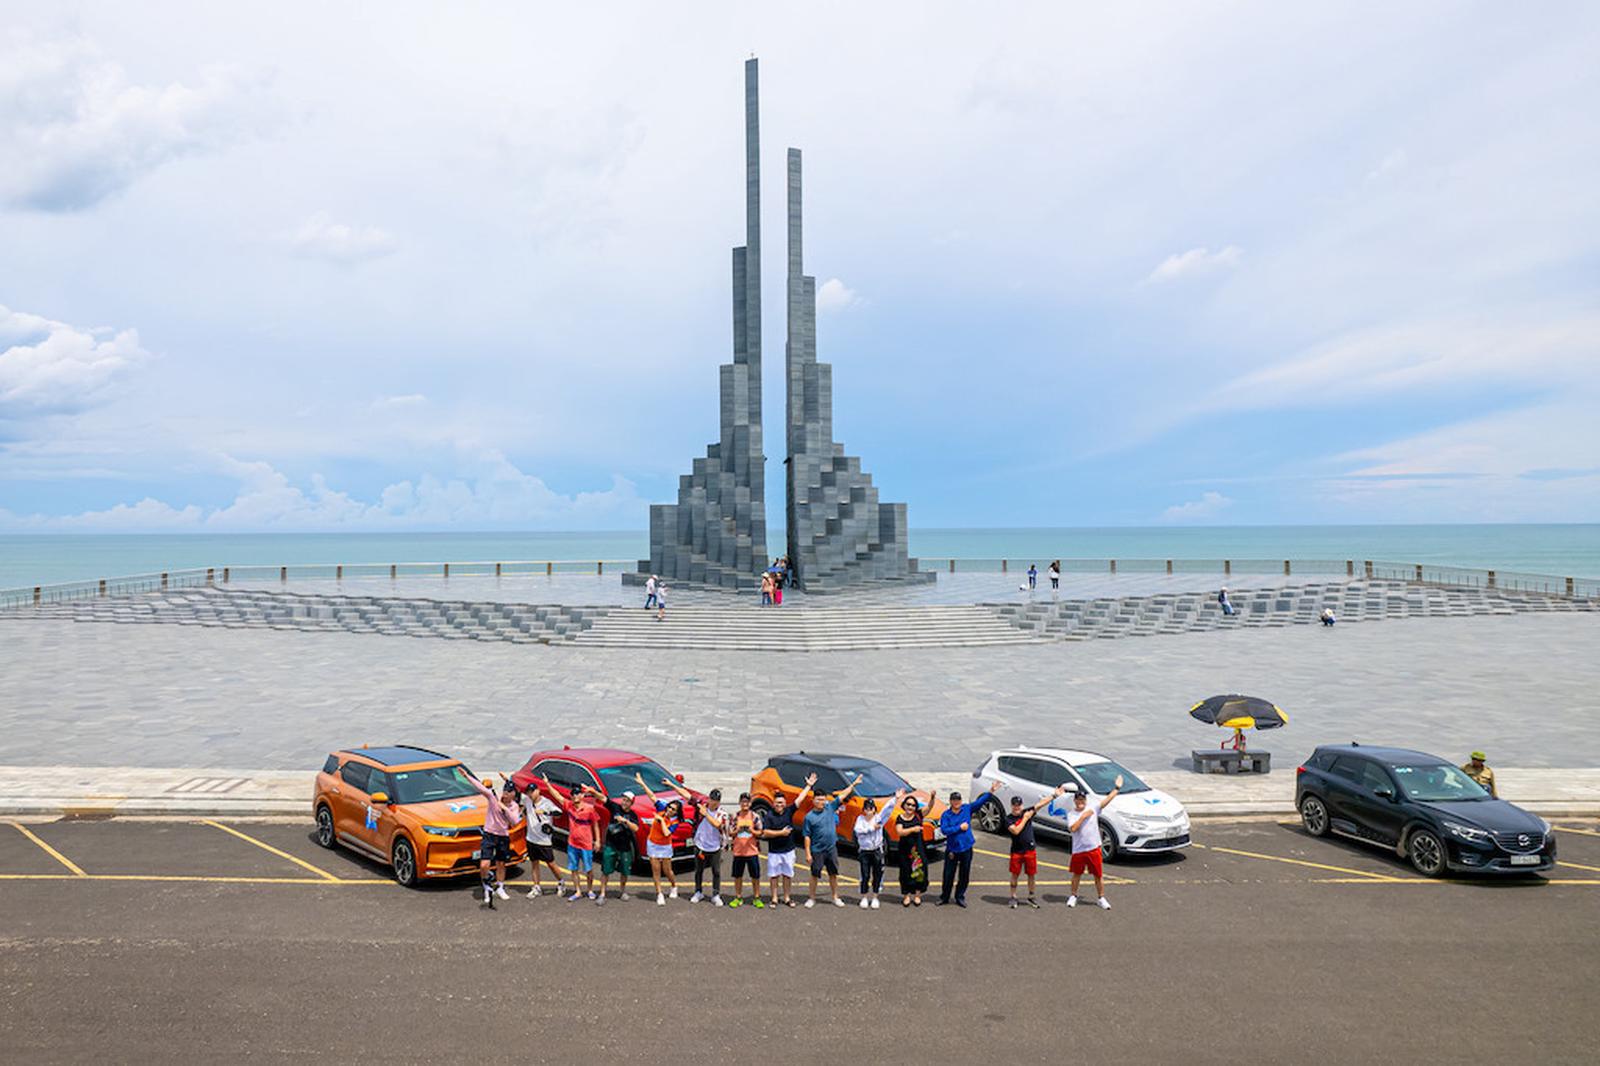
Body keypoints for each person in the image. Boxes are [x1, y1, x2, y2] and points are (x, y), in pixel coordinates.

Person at [1048, 775, 1124, 909]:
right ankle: (1073, 896)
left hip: (1094, 848)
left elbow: (1107, 800)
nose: (1080, 802)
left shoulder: (1093, 808)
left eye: (1082, 799)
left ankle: (1101, 898)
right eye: (1078, 799)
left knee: (1098, 875)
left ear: (1085, 800)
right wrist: (1083, 817)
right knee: (1077, 874)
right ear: (1074, 801)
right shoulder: (1072, 814)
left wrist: (1117, 788)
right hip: (1079, 850)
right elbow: (1073, 829)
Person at [532, 777, 602, 901]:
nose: (575, 796)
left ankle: (590, 890)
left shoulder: (589, 809)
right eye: (573, 794)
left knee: (589, 869)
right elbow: (557, 796)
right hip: (572, 843)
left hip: (586, 844)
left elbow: (595, 825)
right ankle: (578, 891)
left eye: (577, 794)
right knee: (574, 869)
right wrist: (547, 784)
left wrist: (597, 841)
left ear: (582, 795)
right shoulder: (569, 806)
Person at [802, 773, 863, 908]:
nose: (821, 802)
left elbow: (843, 795)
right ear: (813, 800)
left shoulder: (830, 807)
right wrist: (807, 853)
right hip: (817, 850)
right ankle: (811, 898)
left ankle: (835, 897)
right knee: (814, 874)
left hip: (831, 849)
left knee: (833, 874)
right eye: (818, 800)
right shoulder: (809, 817)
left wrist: (854, 784)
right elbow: (807, 835)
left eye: (823, 800)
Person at [937, 780, 1001, 908]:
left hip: (966, 848)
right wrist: (959, 828)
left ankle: (960, 897)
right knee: (948, 875)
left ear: (961, 801)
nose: (956, 802)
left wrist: (991, 791)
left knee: (964, 874)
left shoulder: (967, 808)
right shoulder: (946, 815)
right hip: (952, 849)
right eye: (954, 800)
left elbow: (980, 802)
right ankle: (944, 897)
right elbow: (944, 830)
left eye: (958, 800)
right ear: (950, 801)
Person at [759, 774, 816, 908]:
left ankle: (787, 897)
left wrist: (808, 786)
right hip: (774, 852)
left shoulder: (789, 811)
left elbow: (800, 799)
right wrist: (781, 833)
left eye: (782, 803)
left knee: (787, 875)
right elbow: (765, 832)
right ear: (773, 803)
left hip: (788, 851)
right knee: (774, 876)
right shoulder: (769, 816)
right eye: (777, 803)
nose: (779, 805)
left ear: (785, 804)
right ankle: (774, 898)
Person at [1006, 786, 1068, 908]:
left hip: (1030, 850)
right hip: (1017, 851)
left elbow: (1040, 804)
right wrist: (1025, 818)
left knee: (1031, 874)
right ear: (1011, 806)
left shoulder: (1027, 812)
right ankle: (1013, 896)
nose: (1017, 807)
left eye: (1019, 805)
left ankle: (1031, 896)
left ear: (1022, 805)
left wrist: (1054, 796)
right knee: (1015, 874)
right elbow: (1016, 831)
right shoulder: (1008, 819)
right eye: (1014, 805)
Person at [635, 771, 687, 904]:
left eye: (673, 809)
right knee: (656, 870)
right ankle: (659, 893)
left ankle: (674, 886)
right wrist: (642, 783)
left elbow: (666, 833)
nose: (669, 810)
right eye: (669, 807)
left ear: (677, 812)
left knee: (667, 870)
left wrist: (661, 820)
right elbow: (652, 796)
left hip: (665, 846)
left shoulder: (675, 822)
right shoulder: (661, 808)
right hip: (653, 843)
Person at [468, 775, 520, 908]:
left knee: (501, 863)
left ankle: (500, 887)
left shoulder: (514, 806)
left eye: (509, 792)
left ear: (513, 794)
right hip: (489, 834)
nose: (506, 794)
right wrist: (466, 776)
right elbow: (481, 788)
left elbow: (515, 821)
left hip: (503, 836)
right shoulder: (493, 799)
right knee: (484, 865)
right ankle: (487, 887)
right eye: (505, 791)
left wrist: (505, 809)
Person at [854, 790, 902, 909]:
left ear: (874, 809)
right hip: (864, 851)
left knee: (878, 874)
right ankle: (864, 897)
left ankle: (875, 897)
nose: (869, 810)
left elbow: (887, 809)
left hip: (877, 850)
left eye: (871, 808)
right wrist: (871, 828)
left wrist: (895, 798)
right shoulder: (860, 819)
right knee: (865, 875)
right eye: (866, 808)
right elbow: (858, 831)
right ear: (863, 810)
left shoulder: (879, 818)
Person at [519, 783, 564, 897]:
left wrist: (544, 812)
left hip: (544, 840)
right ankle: (536, 887)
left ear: (538, 791)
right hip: (531, 838)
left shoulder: (547, 803)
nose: (531, 794)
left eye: (533, 791)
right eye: (529, 792)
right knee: (534, 864)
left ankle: (561, 882)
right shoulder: (527, 800)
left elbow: (559, 813)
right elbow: (516, 794)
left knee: (551, 864)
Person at [597, 789, 640, 904]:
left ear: (631, 803)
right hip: (611, 845)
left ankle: (622, 891)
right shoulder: (615, 807)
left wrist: (625, 821)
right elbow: (603, 798)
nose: (624, 802)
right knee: (605, 870)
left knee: (624, 871)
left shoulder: (633, 815)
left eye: (627, 801)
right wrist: (592, 791)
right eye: (623, 800)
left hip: (625, 847)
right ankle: (602, 893)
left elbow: (636, 828)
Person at [688, 788, 729, 905]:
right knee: (698, 870)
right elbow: (687, 796)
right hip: (700, 845)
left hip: (715, 847)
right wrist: (671, 784)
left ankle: (716, 894)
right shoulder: (701, 806)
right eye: (712, 799)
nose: (714, 802)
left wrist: (705, 813)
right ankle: (698, 892)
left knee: (716, 871)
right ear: (709, 799)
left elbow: (717, 824)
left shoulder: (722, 814)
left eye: (717, 800)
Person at [728, 792, 765, 908]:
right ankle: (738, 897)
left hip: (752, 851)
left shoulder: (755, 816)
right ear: (739, 803)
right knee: (737, 876)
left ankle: (757, 897)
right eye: (743, 801)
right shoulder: (735, 816)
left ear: (750, 803)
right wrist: (737, 831)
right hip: (738, 851)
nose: (745, 804)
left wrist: (752, 831)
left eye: (747, 802)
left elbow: (761, 832)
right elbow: (730, 832)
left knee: (755, 876)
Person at [894, 795, 930, 907]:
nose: (910, 807)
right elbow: (900, 832)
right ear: (904, 805)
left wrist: (933, 798)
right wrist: (913, 829)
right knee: (905, 872)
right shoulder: (900, 818)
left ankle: (917, 895)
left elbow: (929, 807)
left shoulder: (918, 815)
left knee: (919, 872)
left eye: (913, 805)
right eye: (908, 804)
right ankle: (906, 896)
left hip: (918, 850)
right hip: (905, 850)